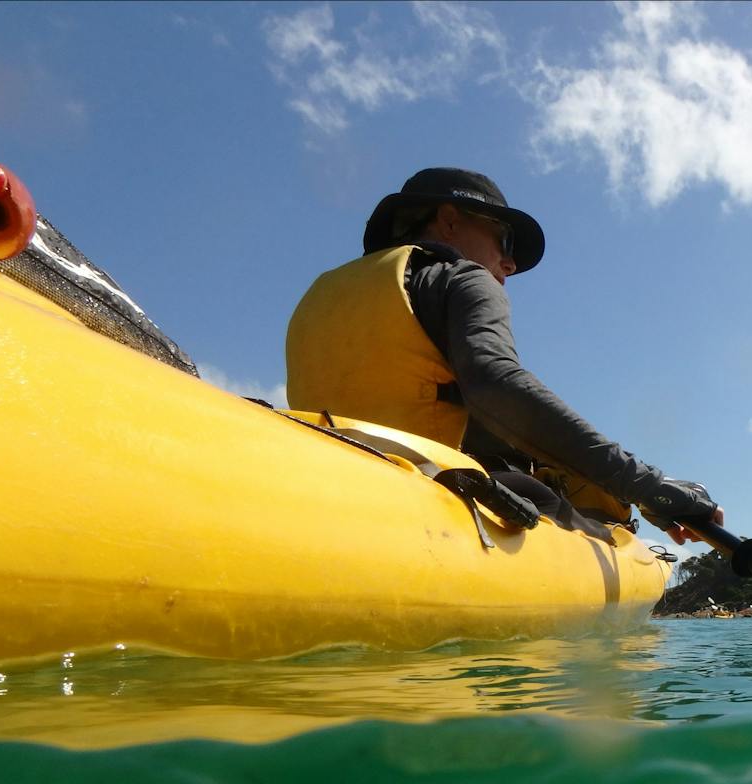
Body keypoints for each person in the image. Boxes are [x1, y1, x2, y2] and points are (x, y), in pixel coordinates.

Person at [285, 167, 721, 545]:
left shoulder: (321, 294)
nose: (509, 263)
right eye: (503, 238)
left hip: (323, 483)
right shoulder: (463, 278)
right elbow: (494, 385)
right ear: (450, 222)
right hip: (423, 495)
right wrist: (649, 487)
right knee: (566, 512)